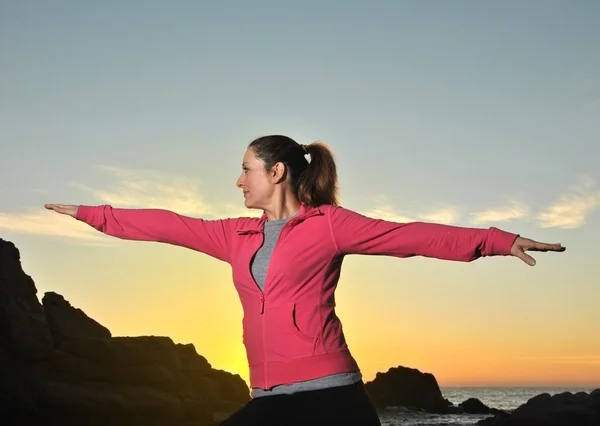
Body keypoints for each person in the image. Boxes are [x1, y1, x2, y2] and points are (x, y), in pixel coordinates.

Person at [45, 134, 565, 426]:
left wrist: (499, 240)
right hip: (272, 396)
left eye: (245, 168)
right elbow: (169, 226)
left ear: (275, 173)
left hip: (331, 400)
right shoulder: (235, 235)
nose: (238, 179)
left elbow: (411, 236)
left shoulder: (329, 225)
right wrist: (95, 214)